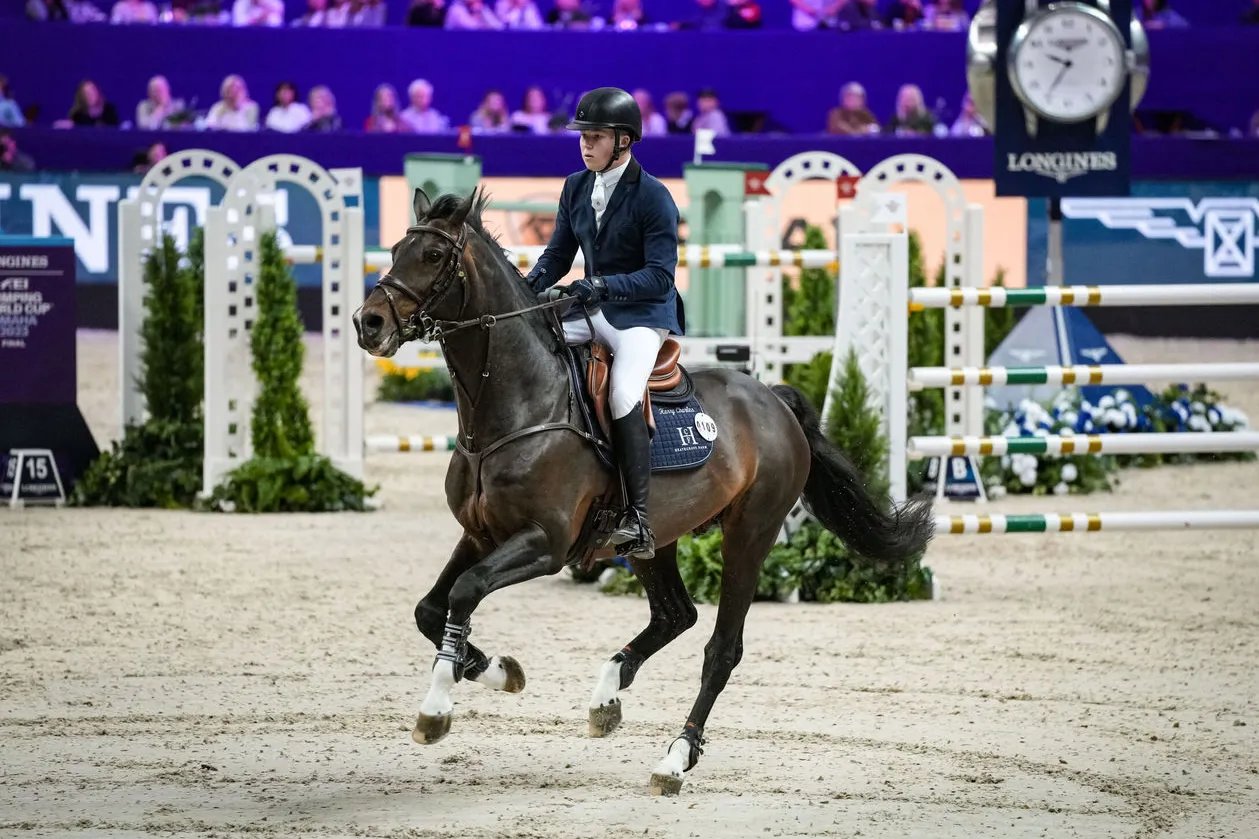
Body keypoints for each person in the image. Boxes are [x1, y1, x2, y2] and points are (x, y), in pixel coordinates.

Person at [526, 86, 684, 561]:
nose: (585, 144)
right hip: (592, 308)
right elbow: (558, 255)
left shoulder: (654, 196)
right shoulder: (576, 186)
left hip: (643, 315)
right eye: (583, 136)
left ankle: (638, 517)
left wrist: (602, 285)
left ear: (623, 140)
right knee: (532, 344)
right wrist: (527, 286)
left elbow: (660, 276)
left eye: (595, 137)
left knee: (622, 393)